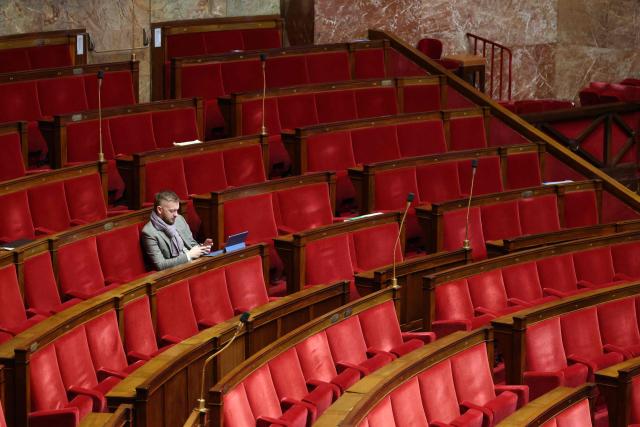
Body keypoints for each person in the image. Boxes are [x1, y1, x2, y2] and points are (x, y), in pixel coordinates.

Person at [141, 190, 212, 270]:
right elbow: (160, 265)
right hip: (176, 272)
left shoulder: (179, 219)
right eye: (172, 211)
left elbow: (191, 243)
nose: (176, 215)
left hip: (194, 263)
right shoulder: (149, 232)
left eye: (177, 210)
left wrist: (202, 248)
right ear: (159, 210)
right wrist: (188, 255)